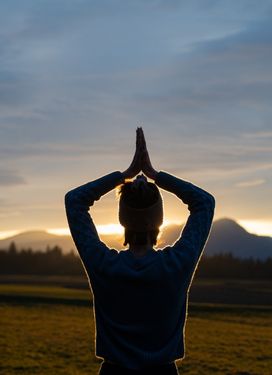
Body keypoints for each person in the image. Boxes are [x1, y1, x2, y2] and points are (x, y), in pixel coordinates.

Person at [64, 127, 215, 374]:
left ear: (123, 221)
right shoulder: (176, 264)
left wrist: (125, 175)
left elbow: (74, 201)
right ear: (159, 222)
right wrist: (156, 175)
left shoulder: (104, 264)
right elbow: (204, 203)